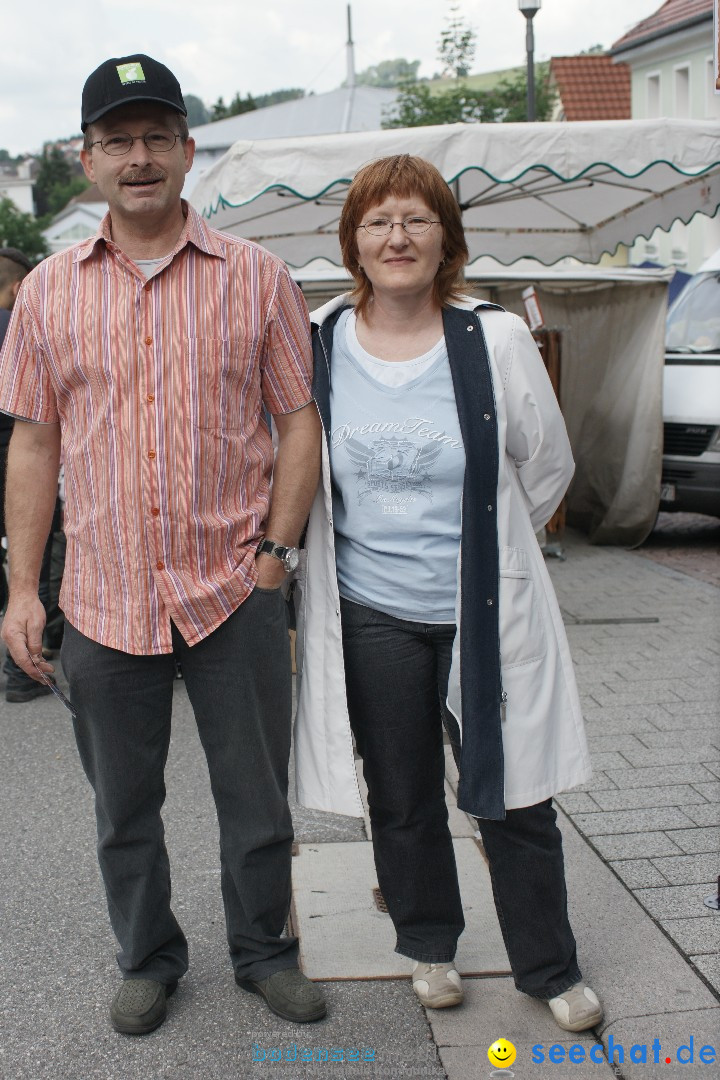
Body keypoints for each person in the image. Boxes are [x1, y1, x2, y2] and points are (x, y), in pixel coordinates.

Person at [0, 53, 324, 1034]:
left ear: (188, 151)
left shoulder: (259, 279)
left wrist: (277, 556)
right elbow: (33, 442)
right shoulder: (47, 294)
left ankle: (265, 952)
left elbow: (298, 421)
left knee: (256, 800)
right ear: (86, 159)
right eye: (116, 141)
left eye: (155, 138)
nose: (137, 158)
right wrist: (23, 588)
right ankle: (148, 956)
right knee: (122, 808)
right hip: (102, 598)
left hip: (233, 588)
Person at [293, 155, 603, 1033]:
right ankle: (430, 946)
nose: (397, 237)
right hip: (372, 611)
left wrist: (493, 553)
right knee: (400, 790)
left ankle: (550, 966)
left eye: (416, 220)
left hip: (481, 612)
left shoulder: (493, 338)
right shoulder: (317, 339)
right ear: (354, 241)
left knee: (514, 791)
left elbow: (546, 468)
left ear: (445, 239)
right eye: (378, 221)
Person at [0, 246, 59, 702]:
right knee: (33, 564)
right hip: (15, 468)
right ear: (20, 286)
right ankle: (24, 671)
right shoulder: (17, 329)